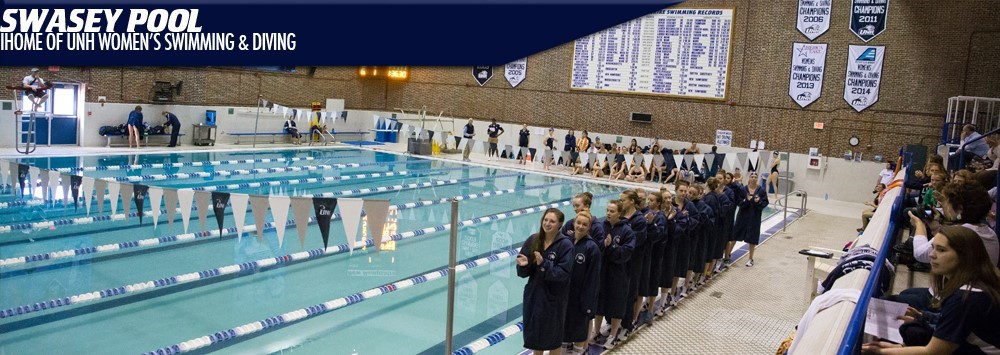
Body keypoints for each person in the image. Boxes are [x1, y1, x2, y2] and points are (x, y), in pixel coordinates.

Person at [862, 225, 1000, 354]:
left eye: (941, 250)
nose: (932, 255)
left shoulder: (965, 298)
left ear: (964, 256)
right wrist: (922, 316)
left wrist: (880, 352)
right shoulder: (977, 281)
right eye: (933, 248)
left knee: (911, 331)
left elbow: (934, 351)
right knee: (912, 328)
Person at [517, 208, 575, 355]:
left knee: (553, 338)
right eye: (545, 220)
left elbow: (563, 274)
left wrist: (543, 264)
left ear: (560, 224)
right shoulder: (534, 240)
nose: (547, 224)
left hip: (554, 298)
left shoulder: (566, 245)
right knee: (536, 337)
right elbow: (524, 272)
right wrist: (524, 266)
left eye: (552, 221)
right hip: (535, 295)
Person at [911, 181, 999, 267]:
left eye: (947, 204)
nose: (946, 208)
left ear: (960, 208)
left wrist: (919, 224)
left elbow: (920, 254)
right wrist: (936, 228)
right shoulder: (991, 234)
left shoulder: (958, 233)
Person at [592, 200, 635, 350]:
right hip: (602, 272)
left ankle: (613, 335)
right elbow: (594, 248)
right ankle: (596, 331)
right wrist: (603, 246)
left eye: (612, 211)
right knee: (599, 303)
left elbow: (626, 253)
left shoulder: (627, 231)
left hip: (619, 274)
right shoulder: (601, 227)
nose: (608, 213)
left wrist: (611, 247)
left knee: (617, 304)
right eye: (608, 210)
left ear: (620, 213)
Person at [562, 210, 602, 355]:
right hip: (565, 297)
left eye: (584, 224)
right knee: (564, 333)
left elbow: (593, 279)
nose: (580, 226)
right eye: (578, 223)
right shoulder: (565, 242)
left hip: (581, 300)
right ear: (574, 223)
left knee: (579, 333)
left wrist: (588, 304)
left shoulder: (592, 248)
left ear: (589, 227)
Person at [735, 171, 769, 267]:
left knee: (752, 239)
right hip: (742, 216)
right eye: (752, 176)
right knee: (735, 235)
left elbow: (765, 203)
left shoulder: (761, 190)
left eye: (755, 177)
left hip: (754, 217)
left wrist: (758, 202)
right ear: (749, 178)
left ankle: (750, 258)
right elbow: (738, 202)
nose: (753, 178)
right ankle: (727, 257)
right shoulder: (743, 189)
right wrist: (746, 200)